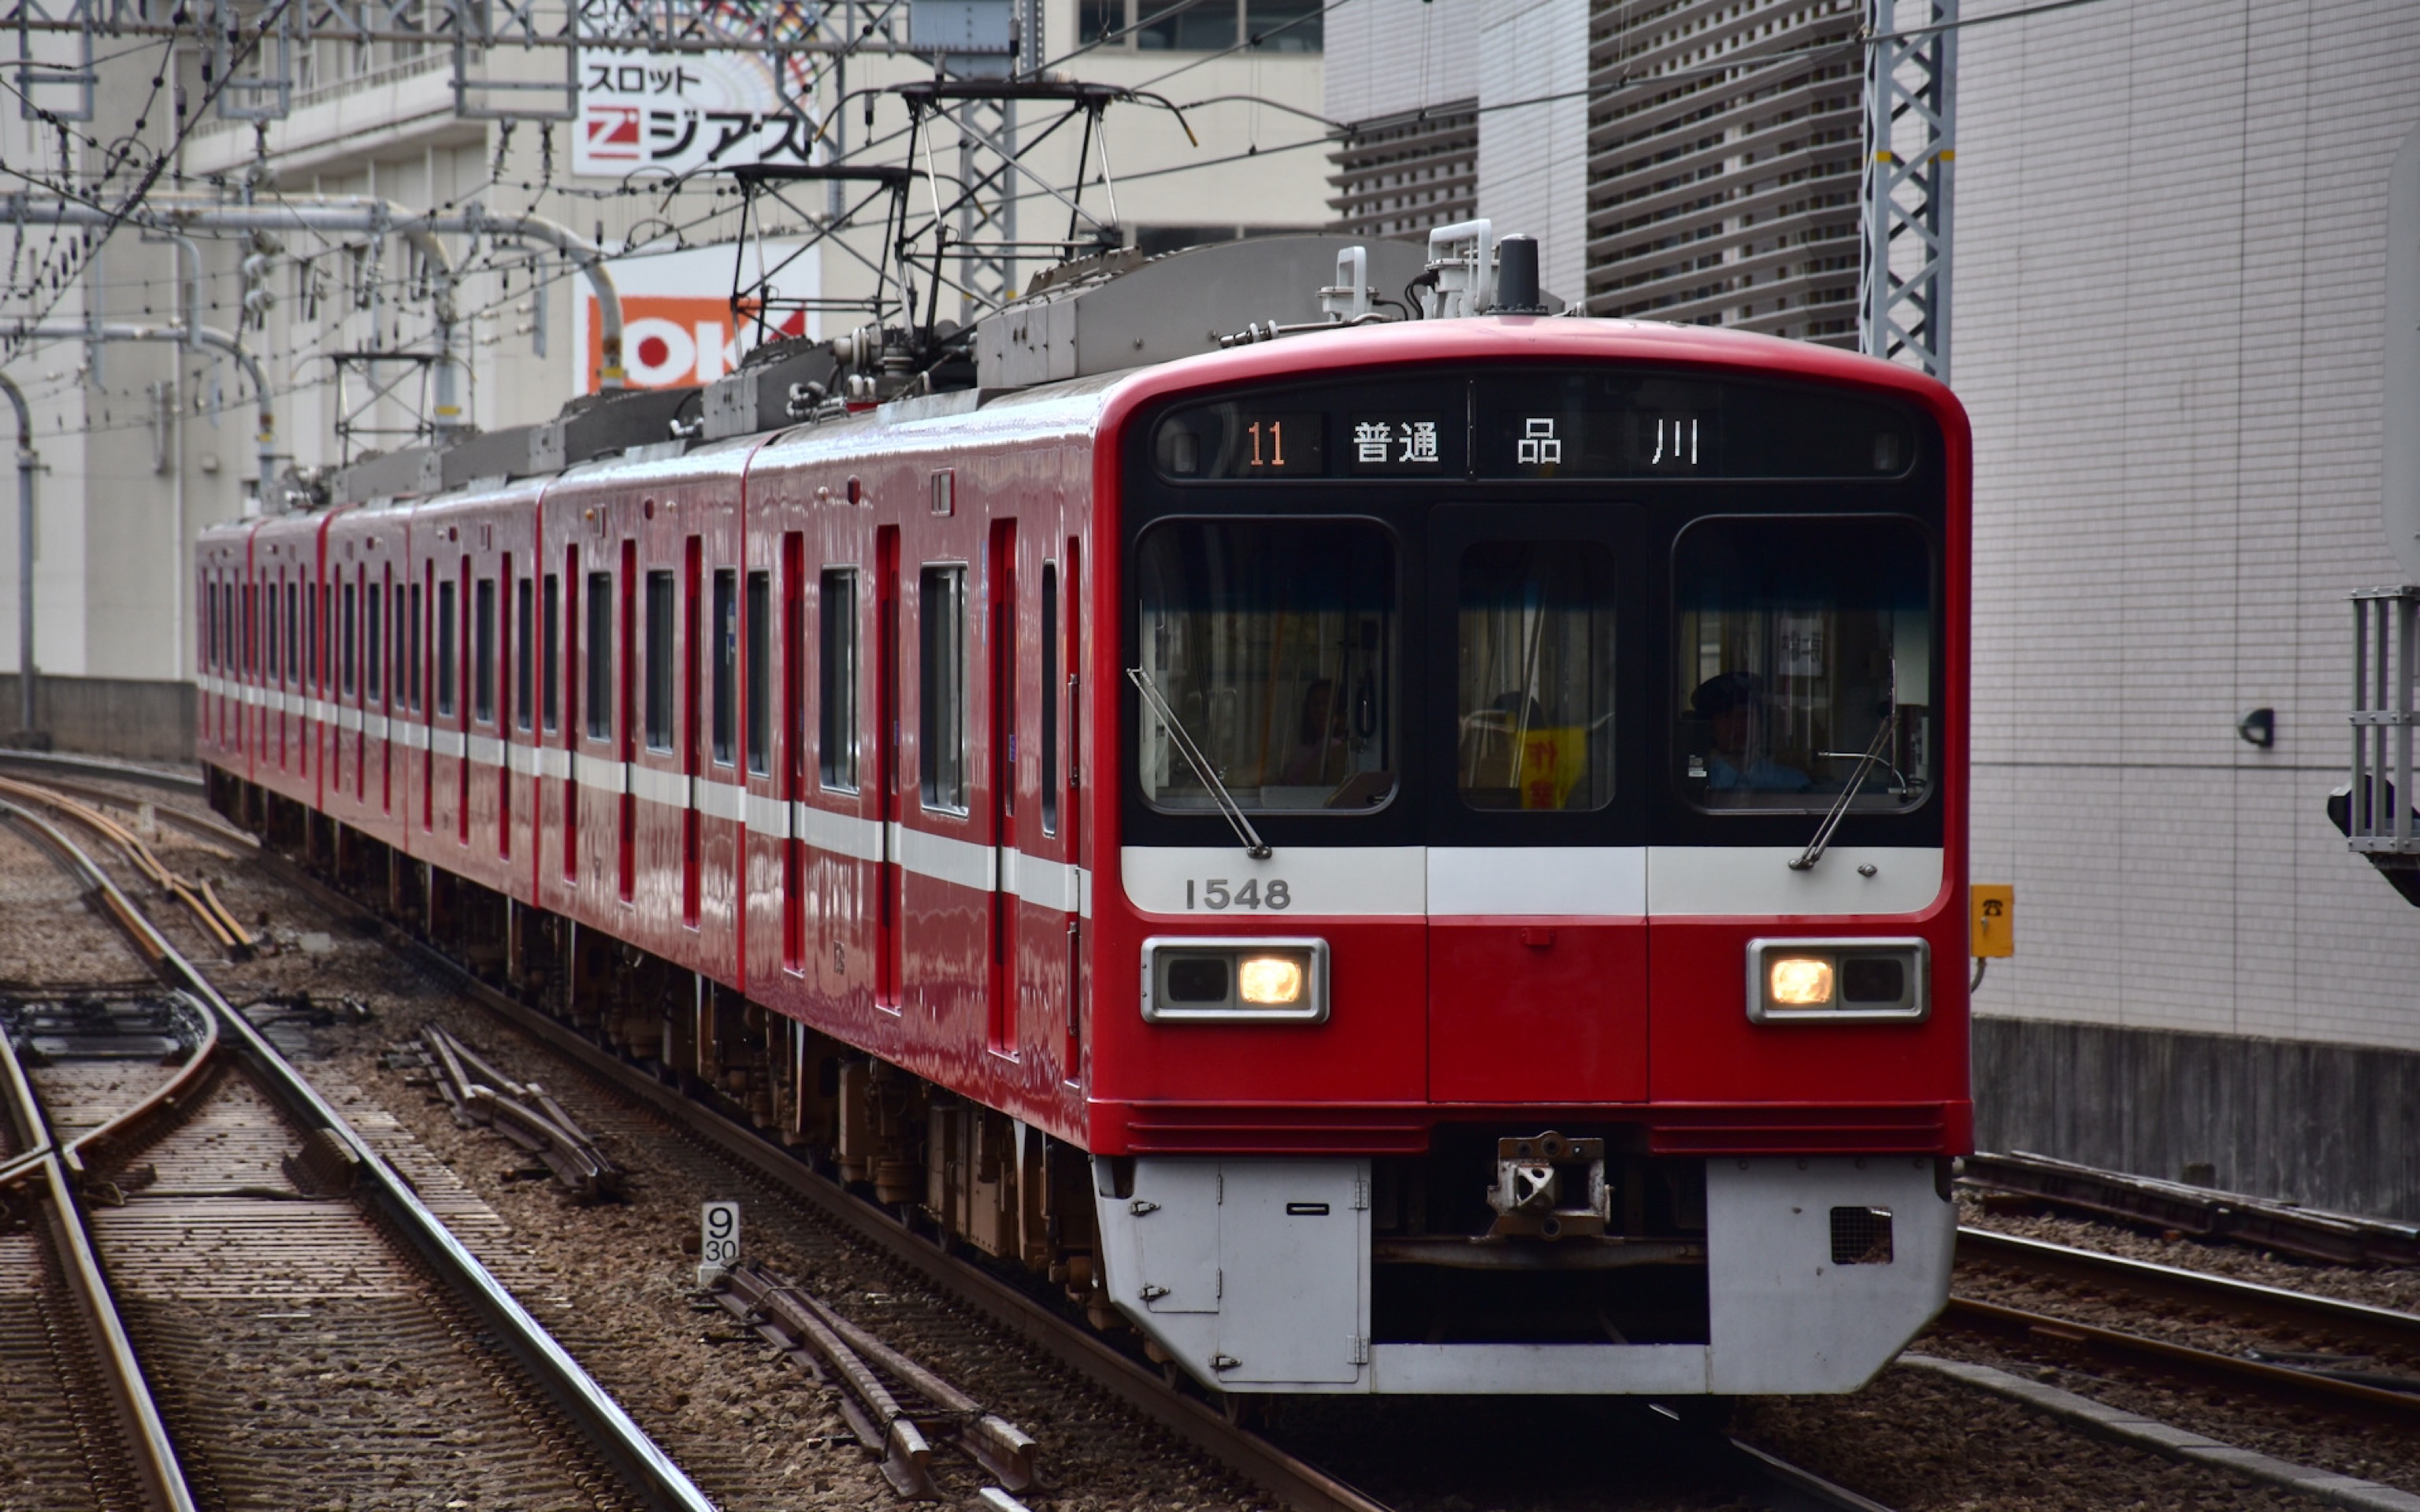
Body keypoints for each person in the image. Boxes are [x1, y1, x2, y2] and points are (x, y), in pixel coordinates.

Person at [1691, 671, 1810, 794]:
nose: (1737, 724)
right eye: (1726, 716)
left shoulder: (1792, 783)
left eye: (1746, 715)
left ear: (1761, 724)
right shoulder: (1696, 782)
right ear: (1710, 727)